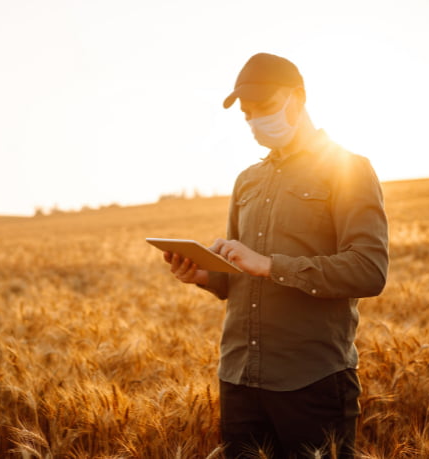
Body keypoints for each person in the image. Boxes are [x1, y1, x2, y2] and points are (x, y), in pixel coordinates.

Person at [161, 53, 389, 458]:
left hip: (311, 380)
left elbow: (368, 270)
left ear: (297, 99)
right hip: (239, 378)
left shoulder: (348, 169)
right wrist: (205, 275)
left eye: (263, 107)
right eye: (247, 114)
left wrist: (270, 265)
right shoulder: (247, 181)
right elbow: (237, 276)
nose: (254, 121)